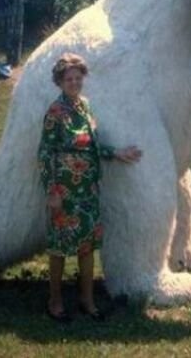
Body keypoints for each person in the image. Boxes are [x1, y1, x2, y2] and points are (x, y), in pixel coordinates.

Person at [37, 52, 142, 323]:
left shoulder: (85, 107)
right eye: (68, 79)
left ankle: (87, 300)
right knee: (59, 248)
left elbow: (92, 146)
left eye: (77, 77)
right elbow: (46, 153)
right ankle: (54, 301)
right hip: (65, 193)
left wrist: (116, 152)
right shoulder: (55, 112)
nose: (74, 82)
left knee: (87, 247)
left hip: (88, 191)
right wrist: (52, 191)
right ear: (59, 82)